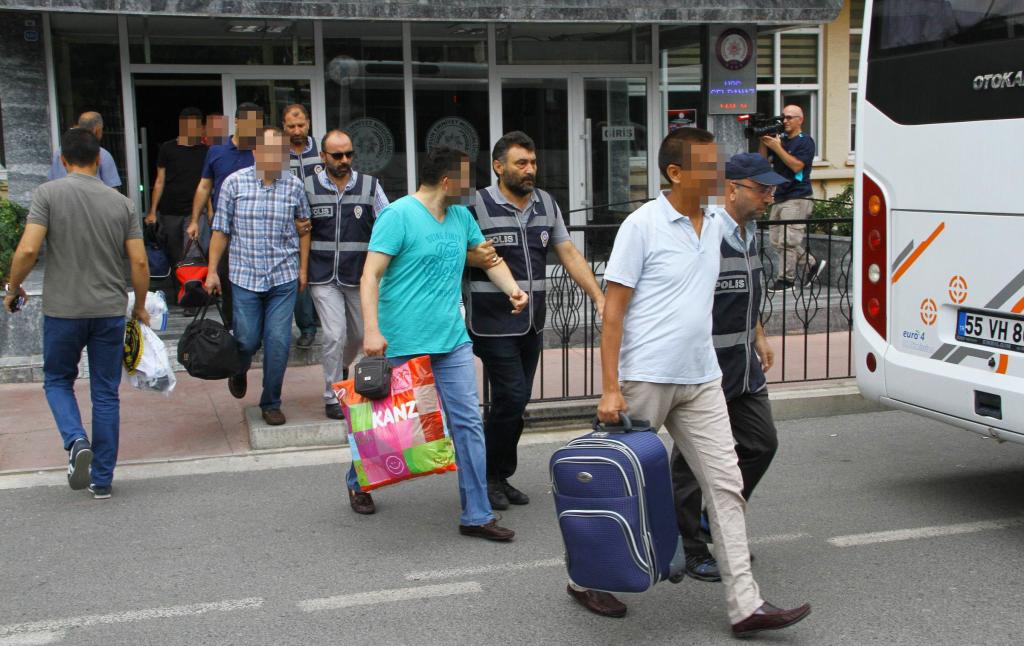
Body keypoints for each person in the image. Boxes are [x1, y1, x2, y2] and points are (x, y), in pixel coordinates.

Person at [578, 128, 810, 638]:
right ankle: (587, 576)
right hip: (646, 377)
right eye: (708, 166)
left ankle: (744, 604)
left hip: (702, 377)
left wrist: (757, 334)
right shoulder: (642, 226)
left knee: (726, 486)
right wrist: (610, 387)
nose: (719, 175)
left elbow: (740, 278)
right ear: (676, 173)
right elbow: (612, 313)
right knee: (618, 486)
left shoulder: (719, 226)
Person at [360, 146, 526, 538]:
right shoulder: (397, 216)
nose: (475, 188)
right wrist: (371, 330)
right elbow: (370, 276)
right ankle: (358, 479)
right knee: (392, 430)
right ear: (449, 180)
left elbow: (488, 259)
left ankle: (477, 514)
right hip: (402, 341)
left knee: (467, 423)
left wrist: (513, 291)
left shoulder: (460, 216)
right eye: (468, 179)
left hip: (452, 340)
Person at [5, 128, 150, 500]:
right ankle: (102, 481)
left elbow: (27, 251)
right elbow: (138, 260)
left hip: (63, 311)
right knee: (105, 393)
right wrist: (139, 305)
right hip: (108, 311)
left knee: (57, 380)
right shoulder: (121, 203)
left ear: (63, 160)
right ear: (99, 160)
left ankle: (75, 440)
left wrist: (13, 287)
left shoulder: (48, 194)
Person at [465, 131, 604, 511]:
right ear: (498, 167)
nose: (530, 170)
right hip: (490, 323)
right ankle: (488, 477)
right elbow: (449, 252)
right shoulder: (474, 205)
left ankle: (498, 474)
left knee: (516, 400)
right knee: (510, 395)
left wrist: (598, 296)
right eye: (520, 163)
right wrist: (471, 258)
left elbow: (570, 253)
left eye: (533, 163)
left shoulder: (545, 203)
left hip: (532, 322)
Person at [670, 152, 786, 585]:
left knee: (761, 443)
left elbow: (747, 293)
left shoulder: (750, 232)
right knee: (690, 463)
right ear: (732, 189)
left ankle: (708, 521)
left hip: (744, 368)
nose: (770, 197)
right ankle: (691, 546)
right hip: (704, 370)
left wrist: (758, 333)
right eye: (763, 189)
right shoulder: (706, 233)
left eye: (773, 189)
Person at [204, 127, 311, 427]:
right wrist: (212, 271)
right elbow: (221, 230)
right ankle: (239, 369)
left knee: (278, 342)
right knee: (248, 340)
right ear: (255, 153)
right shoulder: (233, 184)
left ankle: (271, 401)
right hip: (244, 276)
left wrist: (302, 268)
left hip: (283, 276)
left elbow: (305, 227)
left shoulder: (294, 186)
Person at [305, 130, 389, 422]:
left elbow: (388, 224)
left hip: (360, 277)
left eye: (349, 154)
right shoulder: (307, 187)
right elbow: (300, 231)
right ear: (322, 157)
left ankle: (341, 367)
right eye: (337, 155)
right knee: (333, 334)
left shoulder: (370, 186)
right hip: (323, 275)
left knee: (358, 336)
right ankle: (332, 394)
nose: (344, 160)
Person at [187, 102, 264, 329]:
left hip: (254, 228)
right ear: (238, 122)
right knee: (227, 277)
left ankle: (256, 325)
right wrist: (194, 220)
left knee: (255, 278)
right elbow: (204, 186)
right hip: (224, 227)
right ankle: (232, 326)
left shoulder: (261, 152)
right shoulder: (217, 150)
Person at [144, 107, 209, 302]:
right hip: (169, 210)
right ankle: (177, 293)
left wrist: (211, 210)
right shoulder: (168, 148)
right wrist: (152, 211)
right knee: (173, 254)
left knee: (192, 254)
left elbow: (207, 184)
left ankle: (192, 297)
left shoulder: (205, 151)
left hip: (195, 211)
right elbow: (159, 181)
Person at [759, 105, 825, 291]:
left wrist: (777, 147)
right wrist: (764, 143)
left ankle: (786, 280)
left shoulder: (805, 142)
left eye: (789, 117)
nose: (785, 121)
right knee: (775, 240)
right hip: (780, 195)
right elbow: (764, 163)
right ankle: (811, 264)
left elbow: (796, 166)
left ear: (800, 120)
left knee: (788, 240)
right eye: (783, 117)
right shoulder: (781, 141)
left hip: (798, 196)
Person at [284, 104, 321, 349]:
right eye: (291, 126)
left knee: (320, 273)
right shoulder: (277, 154)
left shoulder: (322, 150)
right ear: (283, 127)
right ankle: (307, 328)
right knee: (301, 275)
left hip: (323, 220)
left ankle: (320, 319)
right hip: (290, 225)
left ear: (308, 123)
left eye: (301, 125)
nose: (297, 130)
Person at [47, 112, 121, 189]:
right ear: (97, 130)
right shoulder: (102, 154)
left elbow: (51, 181)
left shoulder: (60, 152)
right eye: (102, 129)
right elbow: (112, 189)